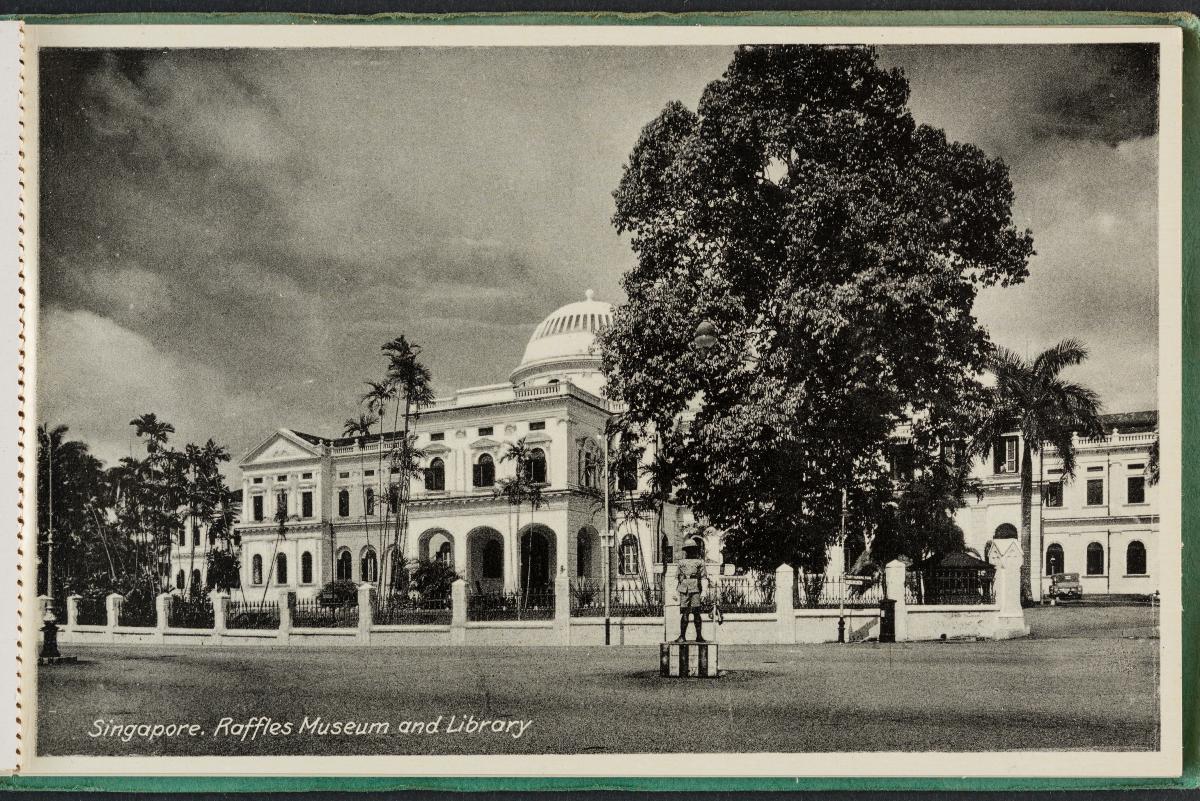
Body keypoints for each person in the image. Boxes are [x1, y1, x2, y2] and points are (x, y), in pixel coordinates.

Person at [675, 535, 708, 643]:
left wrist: (704, 592)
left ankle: (699, 636)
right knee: (684, 613)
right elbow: (677, 578)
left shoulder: (700, 562)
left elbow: (703, 577)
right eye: (688, 549)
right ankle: (682, 636)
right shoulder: (681, 563)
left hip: (695, 589)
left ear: (695, 550)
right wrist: (675, 593)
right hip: (684, 589)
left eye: (692, 549)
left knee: (696, 612)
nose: (690, 551)